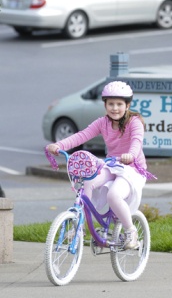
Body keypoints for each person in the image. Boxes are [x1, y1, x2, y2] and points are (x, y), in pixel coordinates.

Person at [46, 80, 154, 250]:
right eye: (111, 104)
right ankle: (79, 225)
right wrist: (60, 145)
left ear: (127, 105)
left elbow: (136, 142)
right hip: (112, 165)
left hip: (132, 169)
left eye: (119, 104)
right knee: (88, 181)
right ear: (105, 105)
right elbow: (82, 135)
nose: (115, 108)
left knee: (113, 195)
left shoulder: (134, 122)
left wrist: (131, 155)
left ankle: (131, 232)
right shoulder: (102, 122)